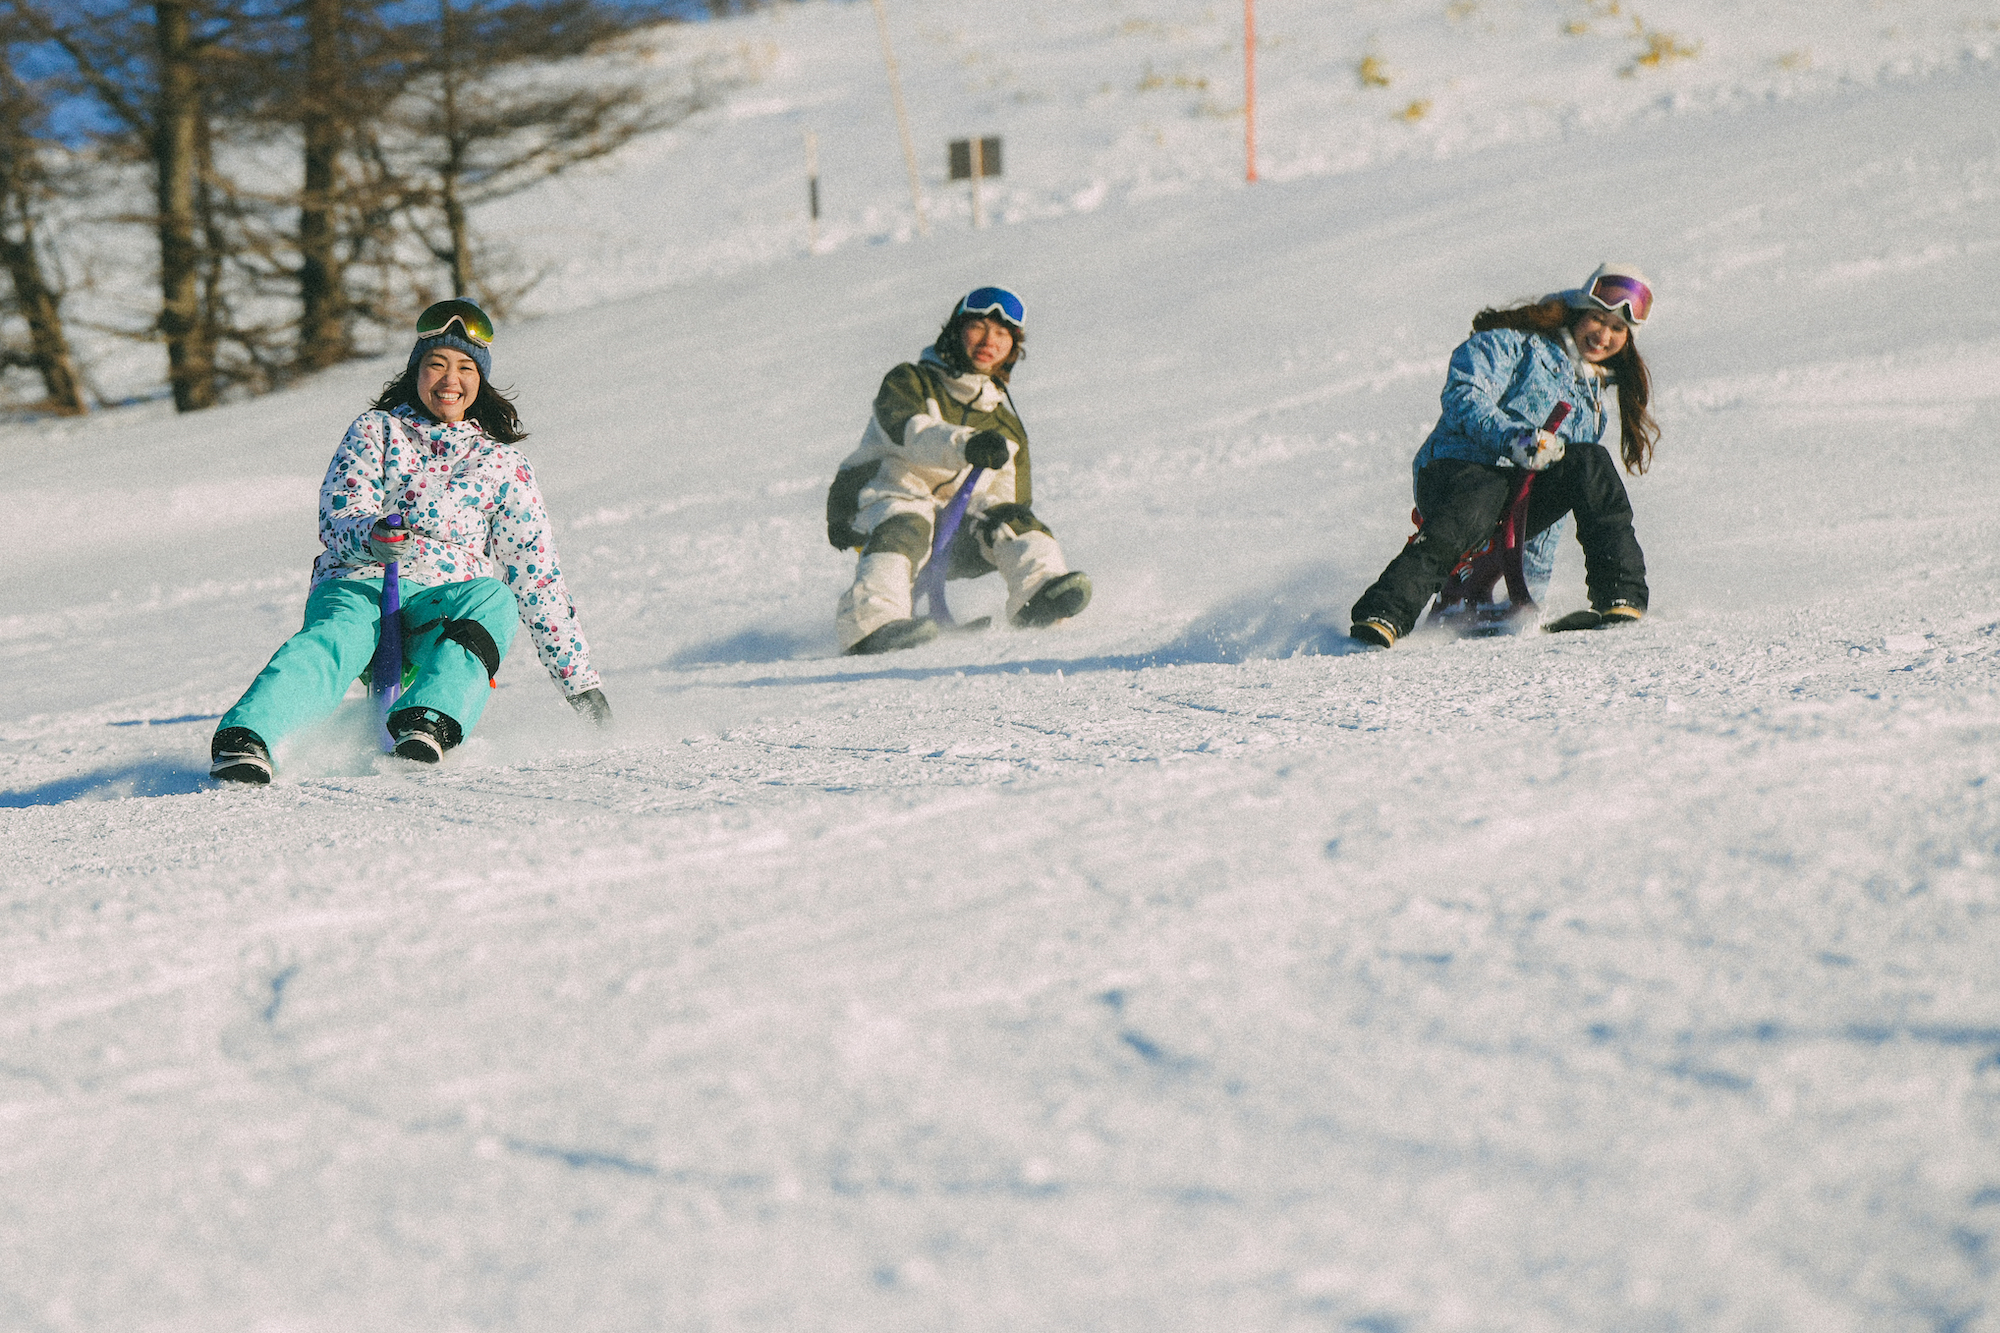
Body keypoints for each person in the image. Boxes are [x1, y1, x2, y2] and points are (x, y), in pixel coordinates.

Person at [210, 299, 611, 783]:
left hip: (436, 611)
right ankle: (250, 738)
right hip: (362, 584)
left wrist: (580, 685)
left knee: (495, 598)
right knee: (336, 637)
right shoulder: (376, 431)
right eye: (436, 363)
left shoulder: (502, 465)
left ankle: (430, 722)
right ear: (415, 371)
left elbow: (537, 576)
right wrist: (372, 536)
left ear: (479, 380)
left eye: (465, 367)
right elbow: (338, 513)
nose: (450, 378)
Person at [1349, 263, 1660, 647]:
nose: (1603, 335)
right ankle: (1386, 610)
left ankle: (1620, 592)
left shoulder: (1592, 400)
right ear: (1578, 314)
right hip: (1457, 470)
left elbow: (1544, 515)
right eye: (1597, 319)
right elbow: (1464, 395)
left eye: (1617, 329)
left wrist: (1527, 599)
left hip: (1517, 494)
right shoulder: (1515, 344)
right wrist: (1511, 438)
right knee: (1483, 494)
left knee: (1590, 464)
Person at [826, 286, 1092, 655]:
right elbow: (910, 431)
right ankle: (872, 626)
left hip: (952, 532)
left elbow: (1009, 500)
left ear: (1013, 349)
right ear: (955, 330)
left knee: (1010, 520)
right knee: (907, 519)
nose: (989, 341)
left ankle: (1039, 597)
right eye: (979, 327)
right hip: (879, 498)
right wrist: (967, 444)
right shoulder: (910, 381)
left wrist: (1000, 520)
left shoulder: (1006, 427)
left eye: (1002, 334)